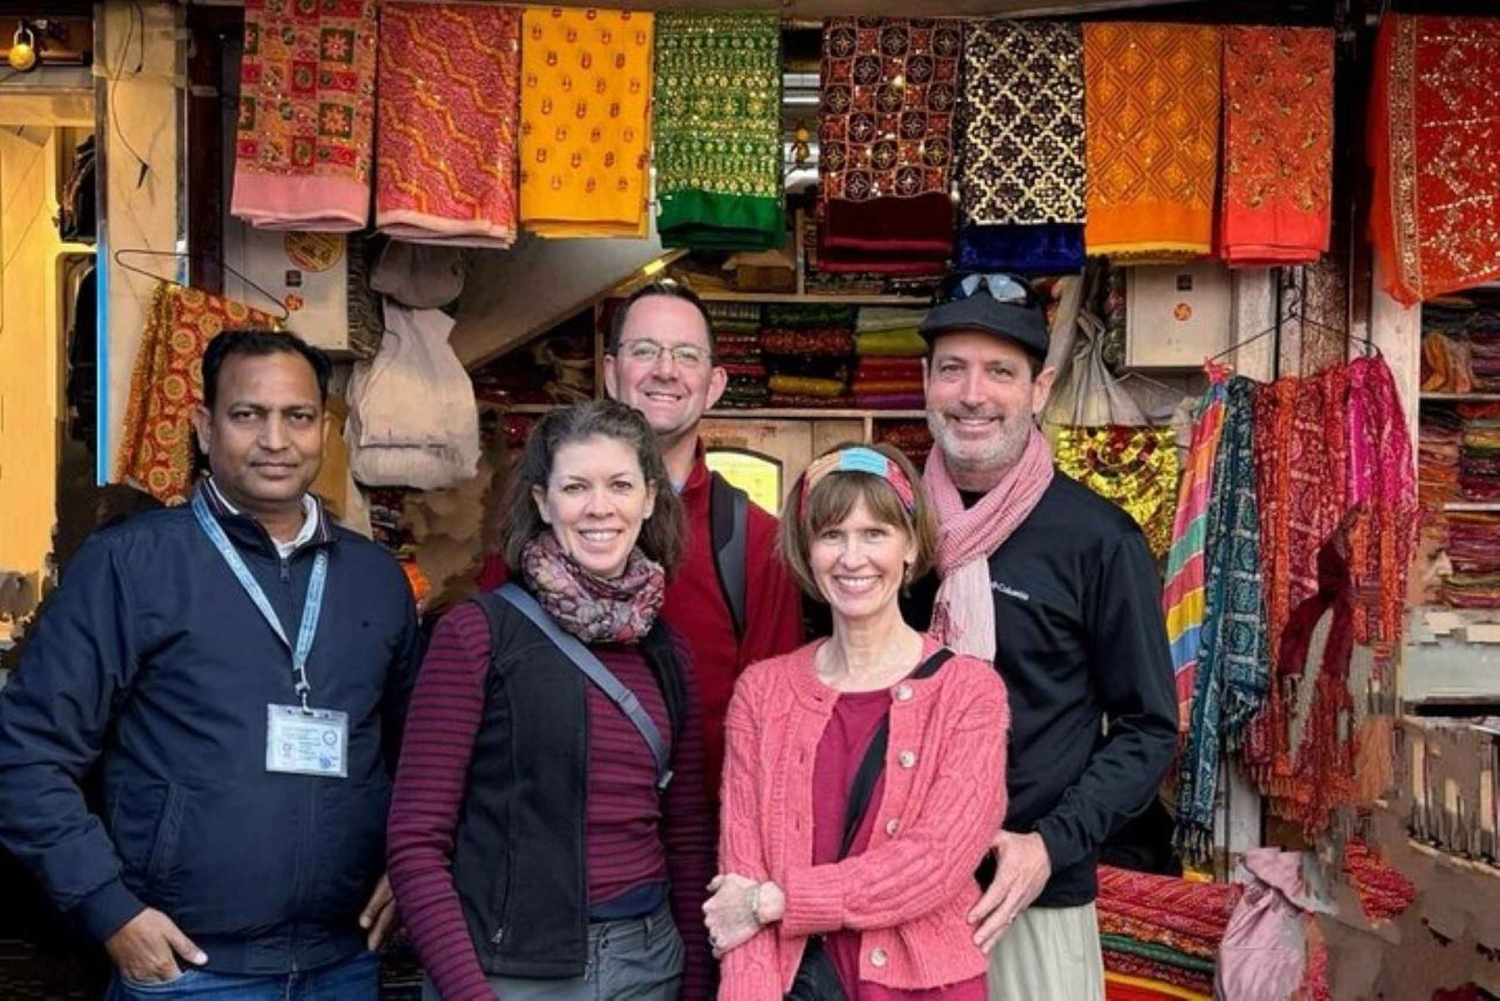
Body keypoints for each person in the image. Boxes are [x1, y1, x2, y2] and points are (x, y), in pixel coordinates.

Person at [0, 329, 423, 998]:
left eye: (298, 416)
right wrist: (109, 908)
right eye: (247, 414)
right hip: (189, 967)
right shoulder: (131, 564)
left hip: (342, 962)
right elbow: (26, 751)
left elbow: (423, 758)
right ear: (203, 427)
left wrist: (412, 865)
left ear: (325, 429)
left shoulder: (375, 579)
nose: (275, 439)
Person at [908, 273, 1178, 1001]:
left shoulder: (1097, 539)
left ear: (1040, 388)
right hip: (896, 884)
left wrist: (1049, 845)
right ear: (925, 382)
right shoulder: (888, 527)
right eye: (953, 369)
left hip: (1027, 893)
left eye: (1000, 371)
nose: (973, 394)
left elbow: (1148, 728)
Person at [388, 400, 714, 1001]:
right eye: (575, 487)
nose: (599, 507)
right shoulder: (477, 635)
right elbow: (416, 842)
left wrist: (694, 984)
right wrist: (469, 992)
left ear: (649, 498)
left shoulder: (666, 651)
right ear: (542, 502)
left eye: (620, 485)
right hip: (512, 974)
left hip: (649, 963)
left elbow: (687, 835)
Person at [705, 443, 1009, 1000]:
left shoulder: (969, 692)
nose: (852, 557)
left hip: (926, 987)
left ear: (910, 545)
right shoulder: (762, 694)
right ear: (807, 550)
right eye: (832, 535)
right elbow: (740, 879)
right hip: (797, 983)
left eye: (874, 533)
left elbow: (936, 861)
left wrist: (779, 902)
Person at [602, 280, 805, 806]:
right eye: (644, 350)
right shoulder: (549, 522)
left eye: (686, 355)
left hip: (703, 836)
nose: (665, 369)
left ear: (714, 384)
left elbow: (775, 728)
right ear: (610, 372)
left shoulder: (756, 542)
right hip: (559, 839)